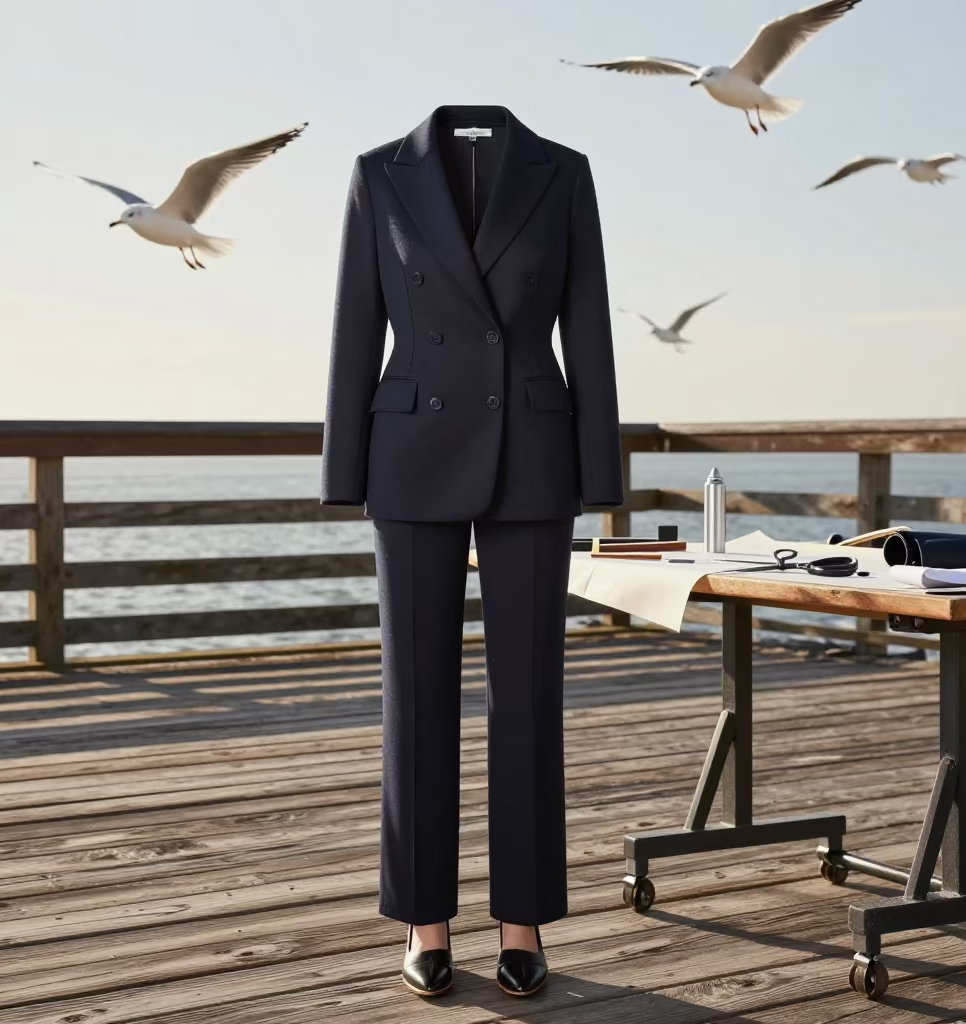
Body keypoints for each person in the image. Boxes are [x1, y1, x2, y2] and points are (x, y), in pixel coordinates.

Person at [321, 105, 623, 998]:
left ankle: (523, 920)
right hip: (412, 452)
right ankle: (425, 920)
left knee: (529, 697)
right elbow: (354, 323)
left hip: (533, 450)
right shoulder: (380, 174)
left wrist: (599, 476)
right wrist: (344, 468)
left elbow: (591, 327)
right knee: (415, 699)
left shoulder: (563, 172)